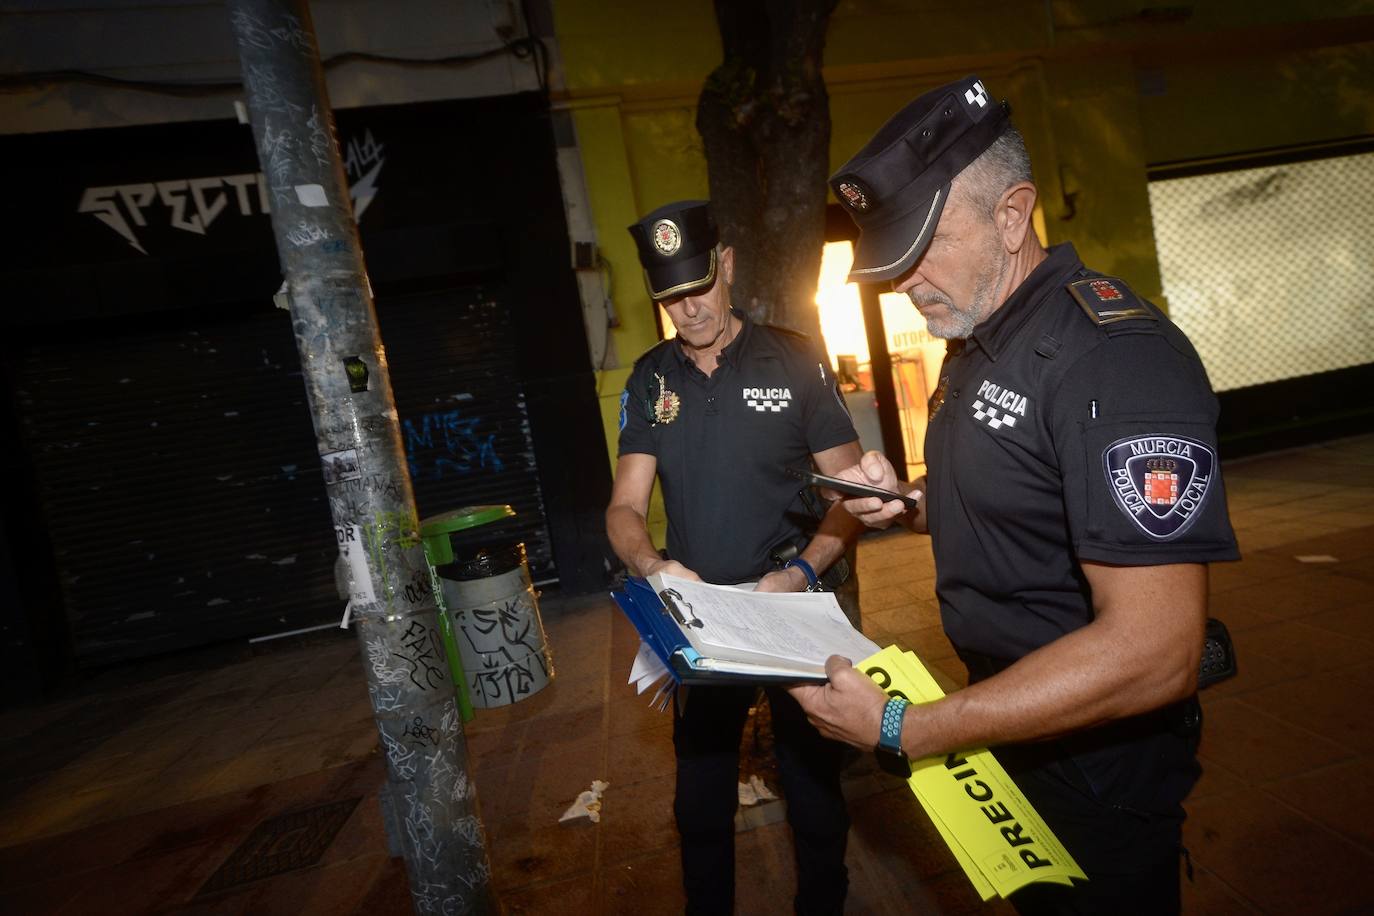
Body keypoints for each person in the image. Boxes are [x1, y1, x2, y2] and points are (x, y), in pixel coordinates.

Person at [789, 76, 1240, 915]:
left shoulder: (1113, 362)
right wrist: (908, 506)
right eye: (893, 260)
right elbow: (1024, 502)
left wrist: (904, 730)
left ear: (1012, 213)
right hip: (1007, 721)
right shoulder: (978, 336)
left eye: (926, 248)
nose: (905, 284)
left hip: (1095, 759)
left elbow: (1156, 649)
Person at [607, 199, 865, 915]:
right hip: (703, 620)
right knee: (699, 799)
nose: (688, 311)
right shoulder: (651, 380)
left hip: (791, 604)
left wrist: (801, 572)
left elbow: (850, 498)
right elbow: (624, 509)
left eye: (698, 287)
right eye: (670, 298)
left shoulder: (794, 357)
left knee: (813, 788)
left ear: (726, 264)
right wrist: (654, 567)